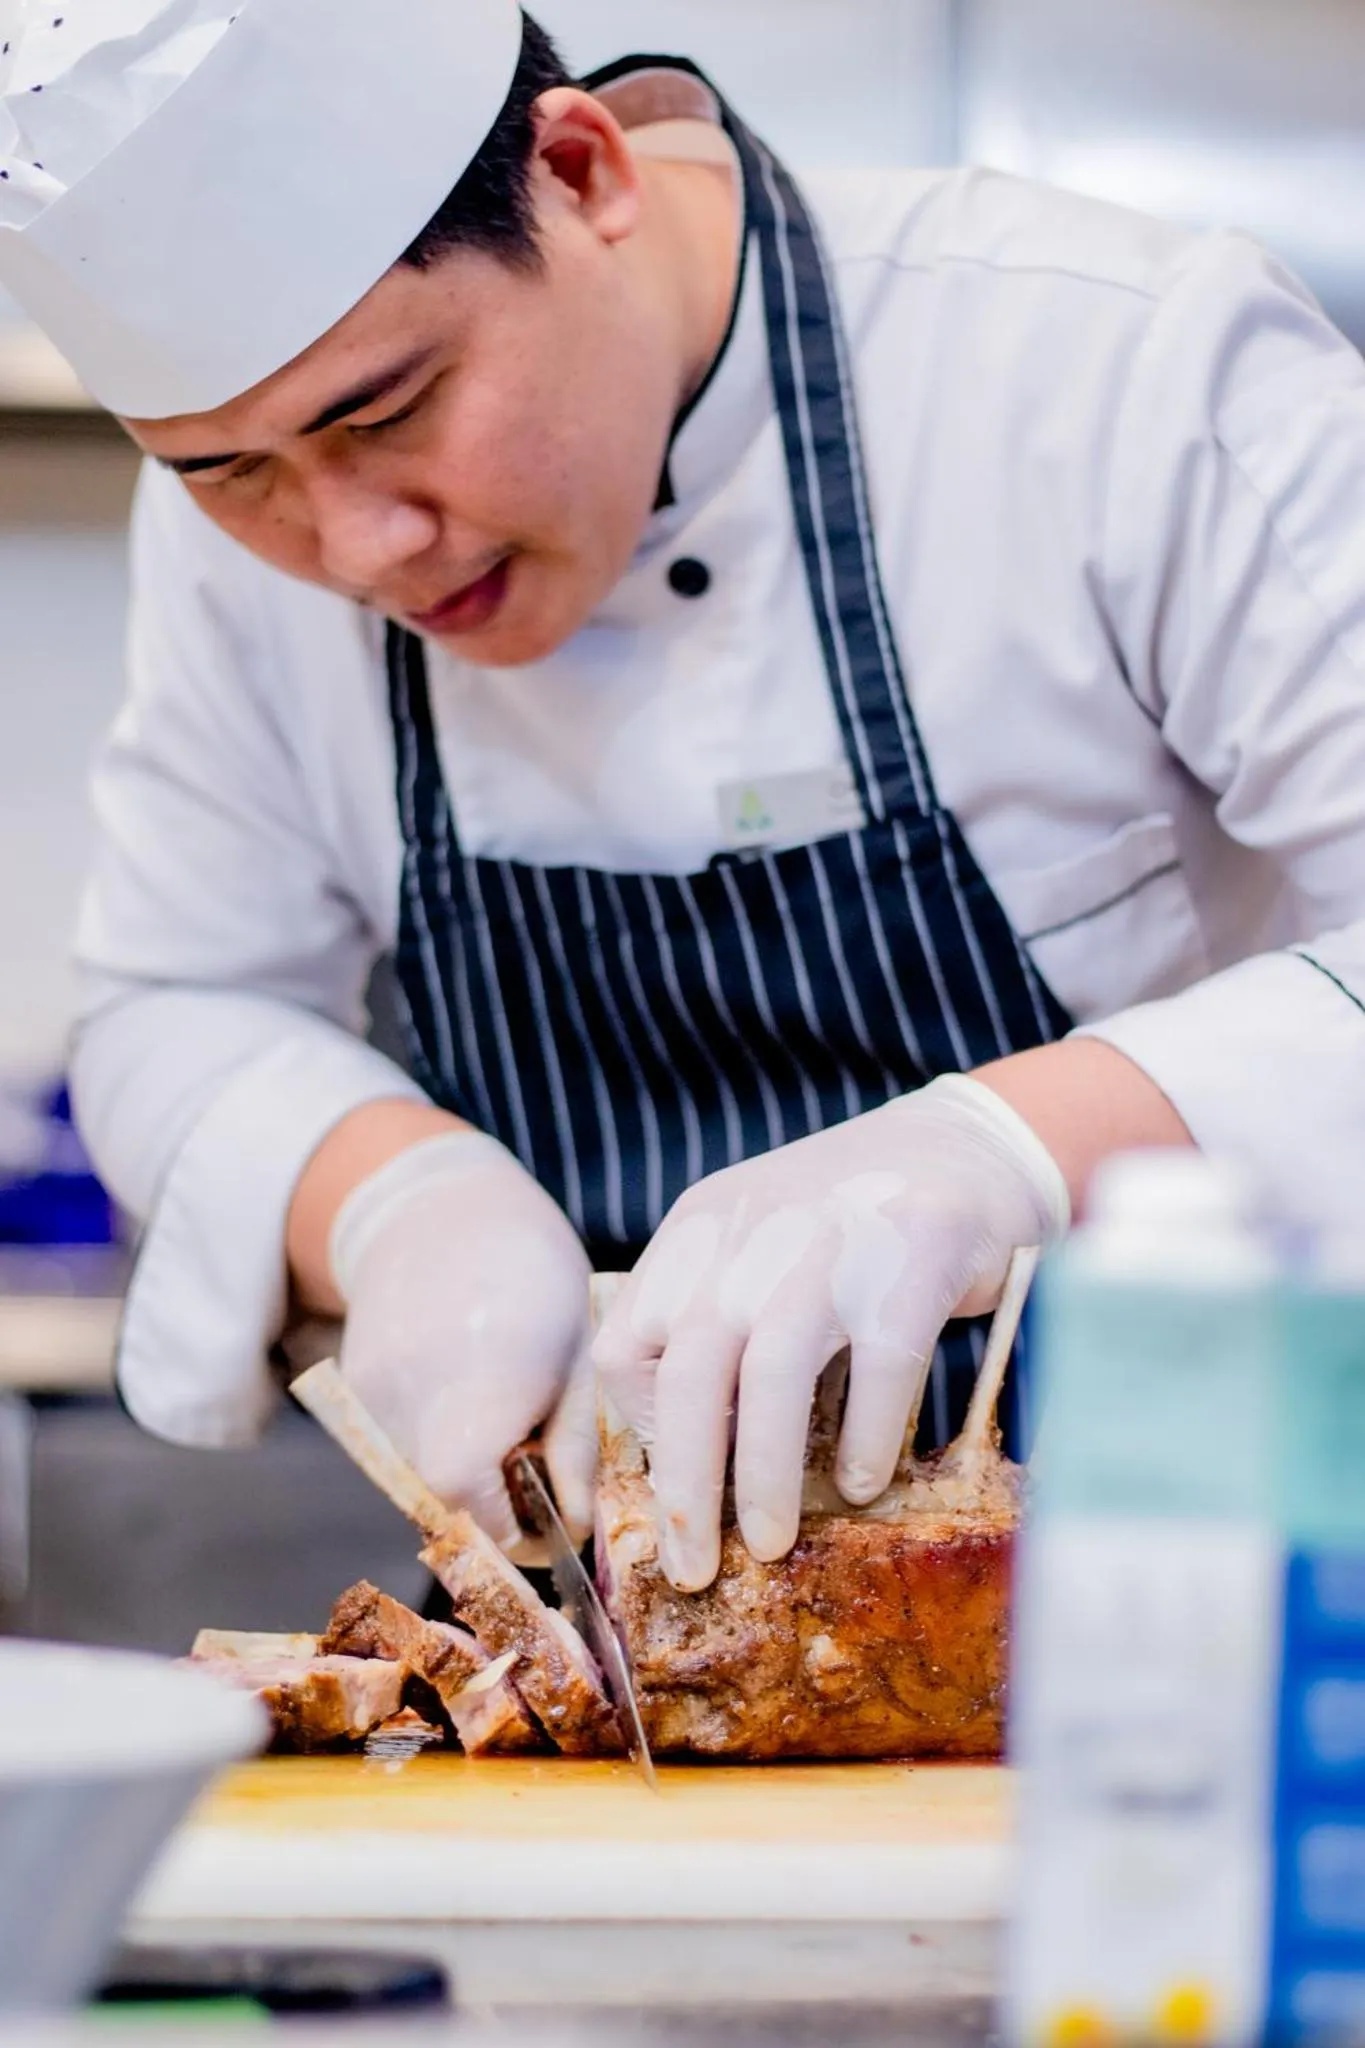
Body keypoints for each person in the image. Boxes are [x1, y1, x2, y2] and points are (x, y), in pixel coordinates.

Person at [3, 0, 1363, 1596]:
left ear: (583, 173)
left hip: (1190, 1609)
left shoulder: (1117, 367)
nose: (354, 547)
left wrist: (1007, 1147)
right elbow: (183, 1000)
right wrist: (386, 1199)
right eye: (228, 474)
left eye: (385, 412)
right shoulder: (268, 539)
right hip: (609, 1636)